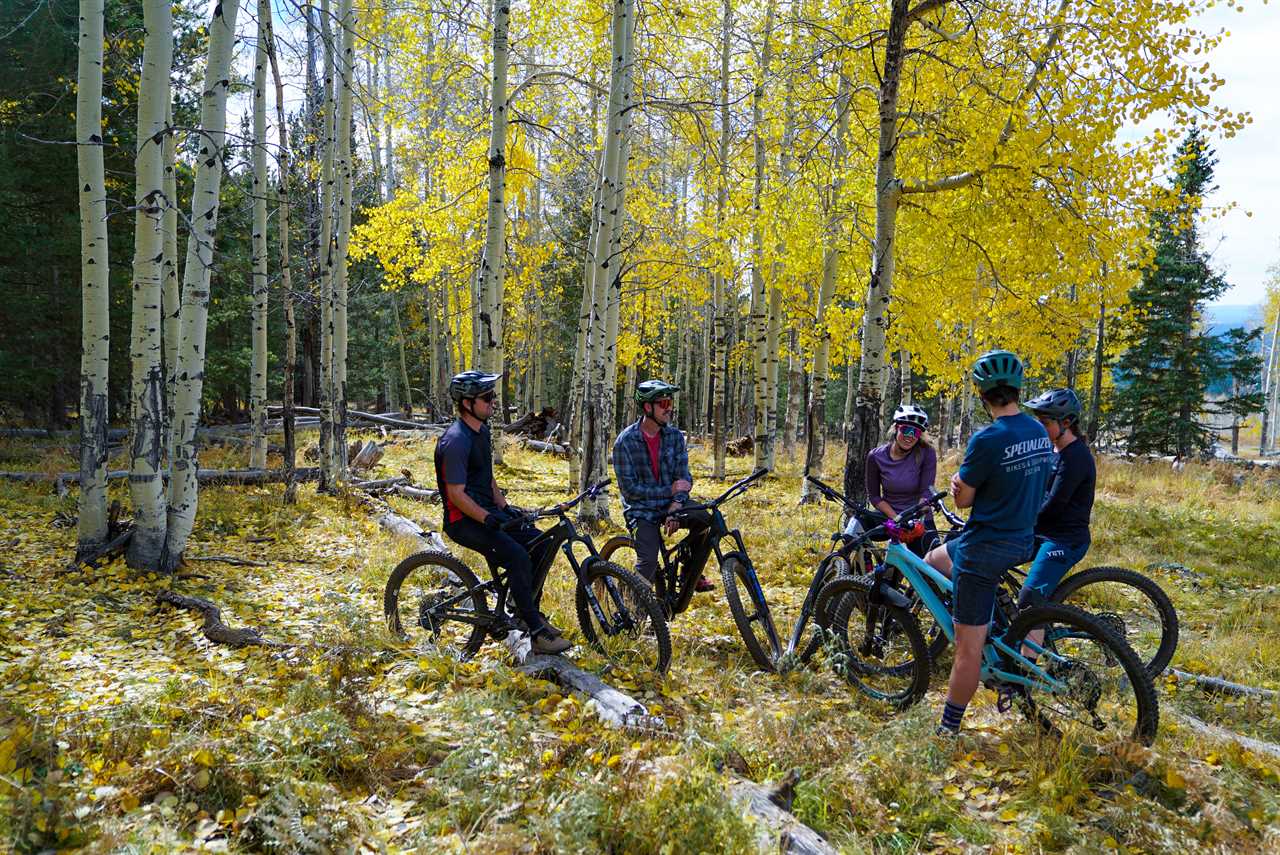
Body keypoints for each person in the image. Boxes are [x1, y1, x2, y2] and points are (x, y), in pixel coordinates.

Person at [923, 350, 1054, 736]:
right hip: (1022, 539)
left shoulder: (987, 439)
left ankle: (947, 730)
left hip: (983, 548)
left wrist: (957, 488)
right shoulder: (1037, 431)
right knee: (933, 560)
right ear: (1016, 390)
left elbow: (963, 501)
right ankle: (988, 620)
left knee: (967, 651)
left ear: (983, 396)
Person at [434, 370, 571, 655]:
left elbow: (487, 477)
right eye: (487, 397)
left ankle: (523, 608)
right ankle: (535, 631)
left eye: (493, 396)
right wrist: (487, 518)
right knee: (517, 557)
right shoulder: (456, 441)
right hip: (464, 521)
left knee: (541, 542)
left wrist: (505, 508)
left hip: (488, 514)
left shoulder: (481, 432)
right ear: (467, 403)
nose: (494, 402)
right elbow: (456, 495)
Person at [613, 380, 714, 590]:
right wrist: (669, 491)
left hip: (672, 505)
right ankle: (635, 615)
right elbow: (631, 492)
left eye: (670, 403)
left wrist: (676, 506)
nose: (669, 408)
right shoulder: (625, 442)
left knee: (705, 520)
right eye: (663, 403)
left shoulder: (675, 437)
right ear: (648, 407)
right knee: (648, 562)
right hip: (642, 511)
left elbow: (684, 480)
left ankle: (689, 574)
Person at [1022, 388, 1095, 608]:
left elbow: (1054, 505)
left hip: (1064, 539)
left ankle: (1032, 640)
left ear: (1066, 422)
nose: (1040, 428)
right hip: (1042, 532)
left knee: (1029, 602)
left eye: (1045, 422)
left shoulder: (1076, 456)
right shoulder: (1053, 451)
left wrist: (1019, 520)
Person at [865, 404, 939, 556]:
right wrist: (897, 519)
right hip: (889, 515)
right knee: (853, 532)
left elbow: (926, 492)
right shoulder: (875, 456)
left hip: (917, 517)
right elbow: (874, 496)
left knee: (932, 567)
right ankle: (858, 570)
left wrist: (913, 520)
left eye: (916, 432)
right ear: (896, 428)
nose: (910, 436)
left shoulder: (927, 453)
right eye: (906, 429)